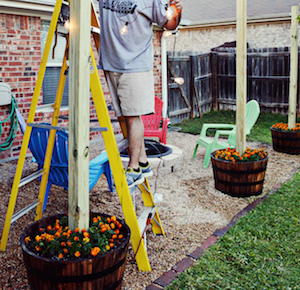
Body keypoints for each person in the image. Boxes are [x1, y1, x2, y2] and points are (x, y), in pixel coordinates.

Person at [99, 0, 182, 188]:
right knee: (124, 116)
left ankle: (134, 167)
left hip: (135, 64)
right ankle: (143, 162)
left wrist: (176, 14)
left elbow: (169, 23)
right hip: (111, 62)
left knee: (132, 117)